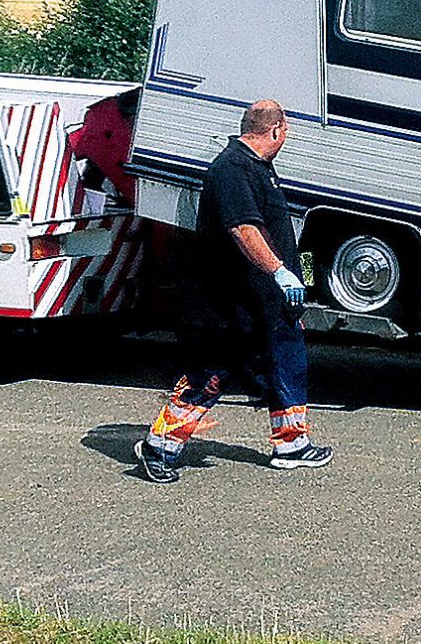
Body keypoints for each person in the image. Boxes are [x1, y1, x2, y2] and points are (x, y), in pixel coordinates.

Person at [136, 99, 333, 481]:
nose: (287, 136)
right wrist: (280, 272)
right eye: (286, 130)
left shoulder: (258, 167)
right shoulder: (232, 169)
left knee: (284, 363)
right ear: (275, 130)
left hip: (264, 302)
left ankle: (292, 444)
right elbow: (243, 230)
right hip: (229, 302)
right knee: (209, 374)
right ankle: (159, 446)